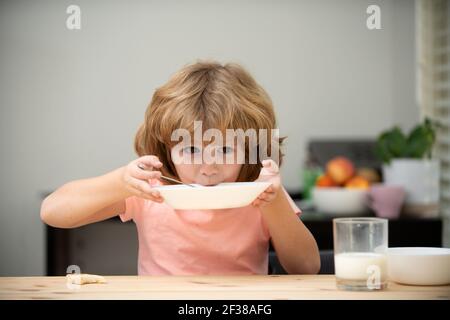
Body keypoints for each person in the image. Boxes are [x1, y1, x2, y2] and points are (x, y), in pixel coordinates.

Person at [41, 61, 320, 275]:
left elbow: (306, 267)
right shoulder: (151, 190)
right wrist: (119, 182)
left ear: (249, 151)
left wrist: (273, 205)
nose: (208, 167)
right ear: (167, 150)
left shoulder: (261, 193)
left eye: (224, 150)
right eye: (190, 149)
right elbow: (53, 212)